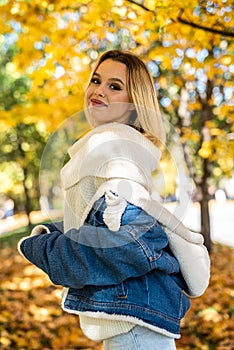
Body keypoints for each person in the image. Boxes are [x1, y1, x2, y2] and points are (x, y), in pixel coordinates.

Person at [18, 50, 210, 349]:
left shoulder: (111, 145)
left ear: (134, 107)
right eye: (96, 80)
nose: (99, 91)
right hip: (136, 322)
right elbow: (106, 221)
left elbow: (133, 242)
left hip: (134, 328)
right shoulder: (114, 145)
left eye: (115, 86)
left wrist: (45, 249)